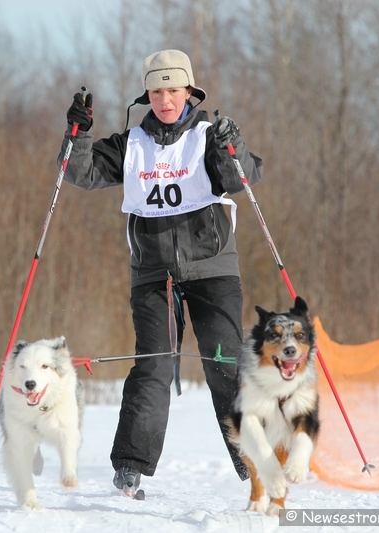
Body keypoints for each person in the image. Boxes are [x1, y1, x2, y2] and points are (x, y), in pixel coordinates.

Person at [58, 49, 262, 496]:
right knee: (152, 364)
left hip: (212, 270)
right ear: (147, 94)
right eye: (156, 91)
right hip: (153, 273)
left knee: (223, 363)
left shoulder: (208, 136)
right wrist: (79, 133)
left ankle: (256, 460)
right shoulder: (131, 144)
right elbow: (80, 173)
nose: (165, 99)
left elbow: (241, 178)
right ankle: (130, 466)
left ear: (189, 90)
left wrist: (233, 145)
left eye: (172, 89)